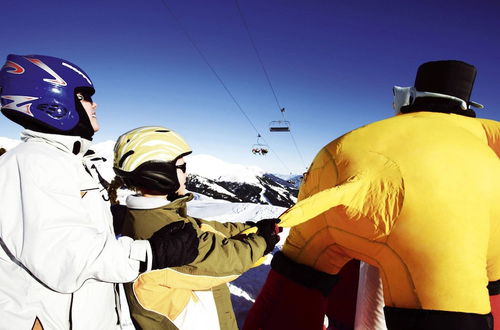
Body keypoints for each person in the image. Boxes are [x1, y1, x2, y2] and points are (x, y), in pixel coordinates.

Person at [244, 60, 499, 330]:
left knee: (301, 273)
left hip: (333, 166)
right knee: (452, 308)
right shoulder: (481, 138)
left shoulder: (365, 134)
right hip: (441, 231)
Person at [0, 54, 200, 330]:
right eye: (84, 96)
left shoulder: (66, 161)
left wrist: (108, 216)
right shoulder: (32, 162)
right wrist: (153, 252)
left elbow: (61, 224)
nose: (95, 104)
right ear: (53, 102)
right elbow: (65, 255)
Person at [110, 125, 281, 330]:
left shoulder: (155, 216)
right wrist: (263, 241)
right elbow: (226, 261)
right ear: (160, 172)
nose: (187, 172)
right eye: (181, 167)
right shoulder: (160, 230)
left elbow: (204, 229)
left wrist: (250, 227)